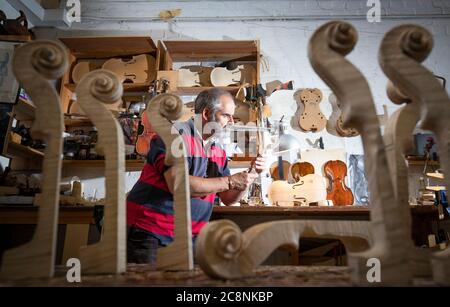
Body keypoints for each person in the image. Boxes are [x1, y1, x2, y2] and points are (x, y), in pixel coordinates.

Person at [126, 88, 265, 265]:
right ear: (206, 113)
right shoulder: (174, 136)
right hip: (151, 232)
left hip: (191, 237)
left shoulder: (218, 150)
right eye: (226, 116)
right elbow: (179, 185)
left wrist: (251, 175)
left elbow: (228, 198)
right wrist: (229, 181)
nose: (231, 121)